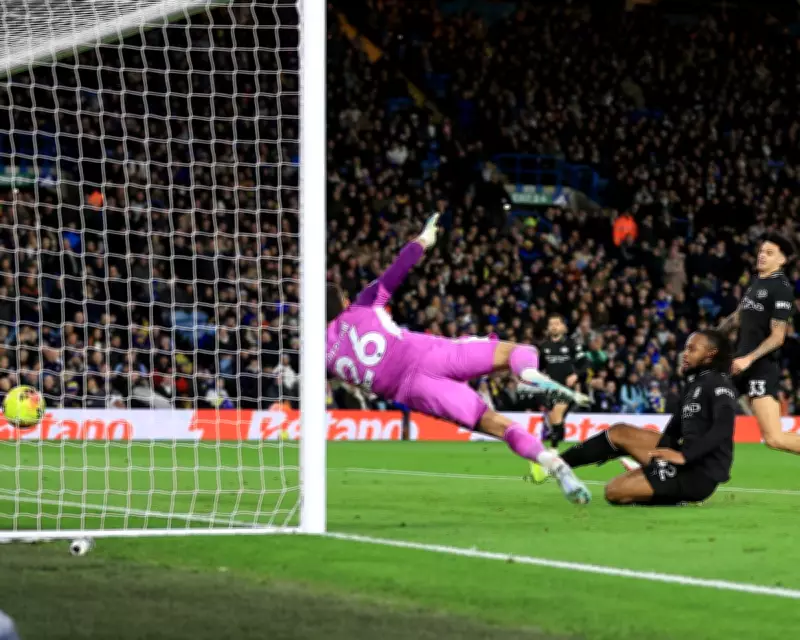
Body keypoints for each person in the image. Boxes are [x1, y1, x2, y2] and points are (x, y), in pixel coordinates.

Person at [326, 215, 592, 505]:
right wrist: (423, 240)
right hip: (431, 354)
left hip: (416, 391)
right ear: (343, 302)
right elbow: (398, 268)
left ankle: (553, 464)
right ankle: (526, 372)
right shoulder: (362, 305)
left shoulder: (322, 355)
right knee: (518, 351)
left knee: (497, 425)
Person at [551, 329, 736, 505]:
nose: (685, 354)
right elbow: (672, 431)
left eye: (692, 349)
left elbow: (724, 428)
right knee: (619, 432)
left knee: (615, 491)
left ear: (710, 355)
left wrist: (684, 456)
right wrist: (654, 460)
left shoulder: (719, 385)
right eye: (686, 348)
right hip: (683, 456)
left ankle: (675, 495)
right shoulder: (694, 384)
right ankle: (556, 464)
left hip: (700, 473)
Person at [716, 233, 800, 454]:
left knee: (774, 438)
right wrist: (708, 340)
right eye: (762, 251)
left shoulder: (782, 289)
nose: (762, 256)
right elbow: (737, 318)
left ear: (782, 260)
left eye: (769, 253)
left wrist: (749, 359)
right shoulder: (756, 283)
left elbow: (778, 337)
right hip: (738, 365)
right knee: (701, 410)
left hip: (759, 367)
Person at [537, 314, 588, 448]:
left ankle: (553, 449)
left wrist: (575, 375)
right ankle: (560, 446)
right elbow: (539, 368)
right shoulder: (544, 347)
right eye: (551, 324)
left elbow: (585, 363)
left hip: (566, 388)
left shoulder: (571, 344)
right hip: (550, 389)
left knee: (557, 413)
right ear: (548, 328)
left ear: (563, 327)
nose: (554, 327)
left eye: (557, 324)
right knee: (555, 420)